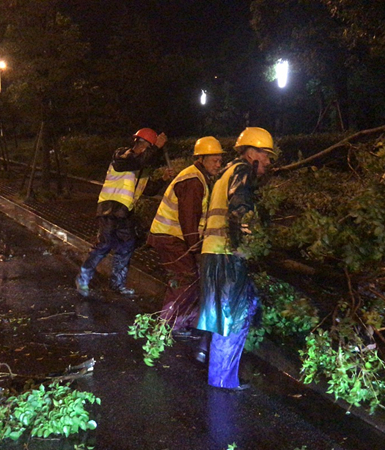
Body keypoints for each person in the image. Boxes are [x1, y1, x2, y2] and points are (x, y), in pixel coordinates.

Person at [196, 127, 276, 390]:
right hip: (227, 255)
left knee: (222, 315)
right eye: (265, 155)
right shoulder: (242, 172)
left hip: (212, 253)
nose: (268, 161)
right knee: (233, 317)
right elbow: (240, 210)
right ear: (251, 153)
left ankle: (216, 371)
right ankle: (223, 381)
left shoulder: (225, 172)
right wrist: (245, 245)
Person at [75, 128, 173, 296]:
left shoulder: (141, 168)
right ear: (142, 144)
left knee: (126, 247)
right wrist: (156, 148)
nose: (149, 152)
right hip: (110, 208)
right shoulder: (122, 155)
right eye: (149, 147)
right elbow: (134, 162)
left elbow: (148, 190)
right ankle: (83, 279)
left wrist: (163, 179)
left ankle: (117, 284)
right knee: (104, 244)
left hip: (125, 212)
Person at [147, 137, 225, 340]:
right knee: (185, 279)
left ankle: (180, 321)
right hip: (171, 238)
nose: (218, 164)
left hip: (171, 237)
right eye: (214, 160)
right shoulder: (193, 181)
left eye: (220, 160)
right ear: (201, 158)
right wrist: (195, 249)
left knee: (187, 279)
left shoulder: (198, 177)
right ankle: (168, 325)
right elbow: (189, 219)